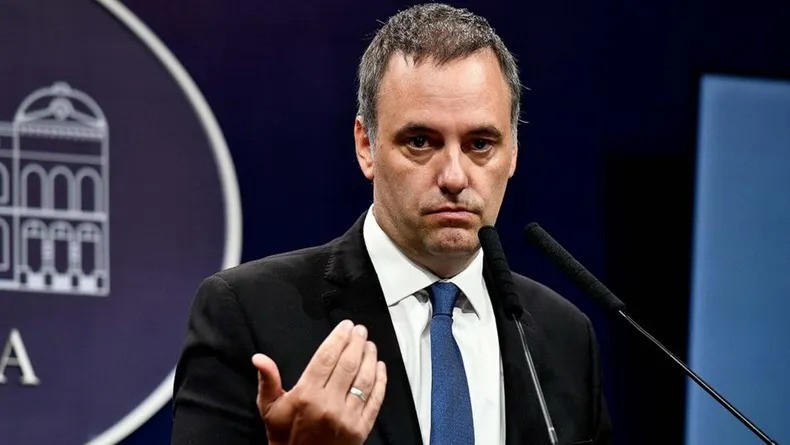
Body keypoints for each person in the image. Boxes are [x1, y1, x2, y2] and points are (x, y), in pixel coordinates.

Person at [171, 3, 612, 445]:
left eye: (480, 144)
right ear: (366, 145)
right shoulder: (249, 313)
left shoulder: (565, 336)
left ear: (512, 152)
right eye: (420, 141)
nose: (454, 177)